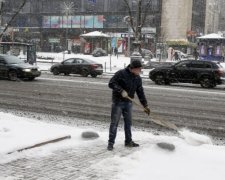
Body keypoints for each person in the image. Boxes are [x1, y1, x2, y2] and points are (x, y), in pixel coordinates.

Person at [107, 60, 150, 151]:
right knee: (114, 123)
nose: (140, 71)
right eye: (139, 69)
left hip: (128, 103)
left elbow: (140, 92)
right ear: (132, 68)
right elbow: (111, 83)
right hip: (118, 102)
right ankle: (110, 143)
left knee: (128, 123)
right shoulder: (121, 73)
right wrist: (120, 90)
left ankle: (128, 141)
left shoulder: (137, 78)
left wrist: (145, 105)